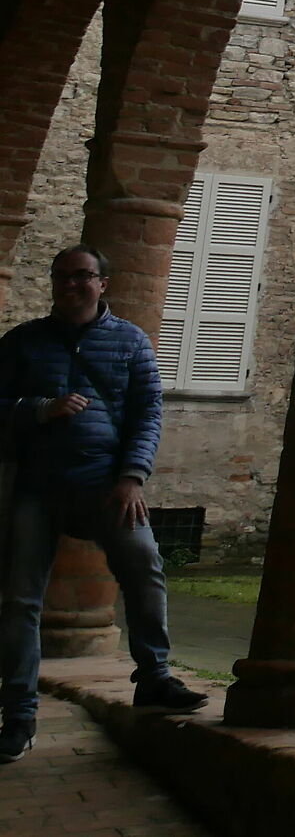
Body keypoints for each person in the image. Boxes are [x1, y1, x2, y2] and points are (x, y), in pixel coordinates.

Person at [1, 245, 207, 763]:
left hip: (106, 485)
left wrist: (133, 477)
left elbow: (147, 413)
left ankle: (154, 677)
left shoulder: (131, 340)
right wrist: (37, 410)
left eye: (81, 277)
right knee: (21, 600)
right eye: (60, 277)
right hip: (37, 487)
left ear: (102, 283)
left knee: (144, 567)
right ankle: (18, 715)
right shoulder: (22, 342)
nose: (69, 285)